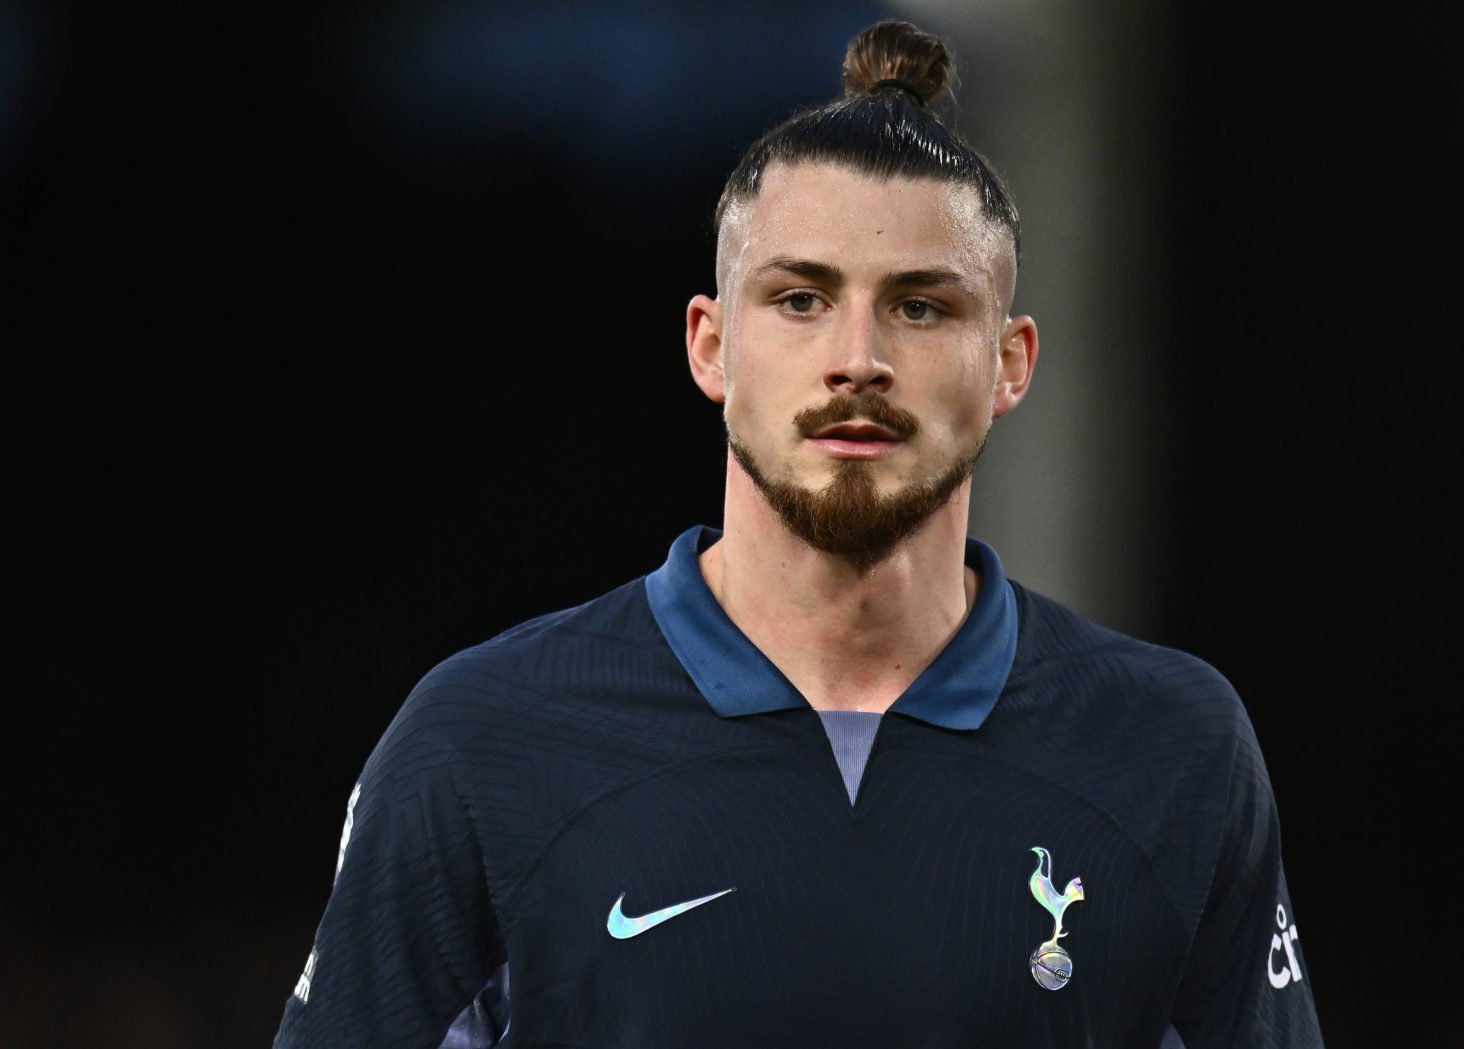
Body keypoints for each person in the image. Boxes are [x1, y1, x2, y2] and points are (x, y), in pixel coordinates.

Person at [273, 19, 1324, 1049]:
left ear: (1010, 363)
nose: (856, 357)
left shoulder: (1172, 749)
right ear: (711, 344)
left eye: (919, 307)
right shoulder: (482, 744)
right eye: (801, 298)